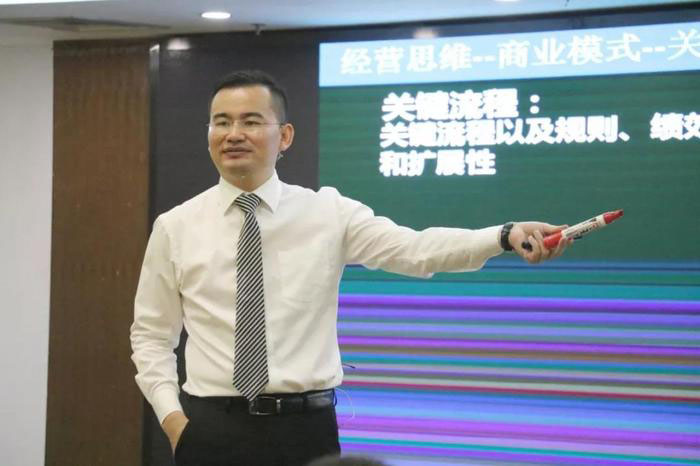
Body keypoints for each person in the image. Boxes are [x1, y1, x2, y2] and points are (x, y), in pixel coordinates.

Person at [130, 69, 570, 466]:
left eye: (250, 121)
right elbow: (151, 336)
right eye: (221, 122)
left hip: (305, 430)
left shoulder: (328, 213)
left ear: (285, 136)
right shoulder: (176, 226)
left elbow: (416, 250)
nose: (233, 134)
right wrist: (174, 420)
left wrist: (503, 235)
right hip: (210, 428)